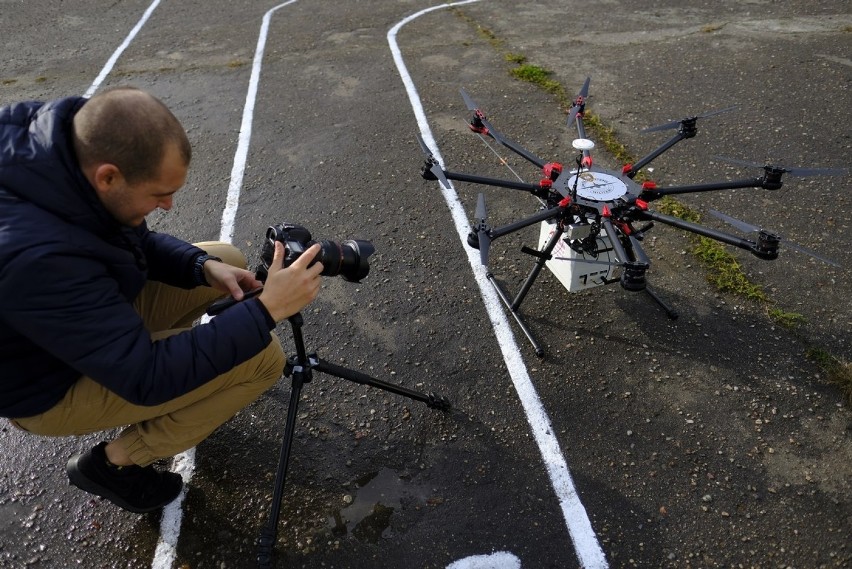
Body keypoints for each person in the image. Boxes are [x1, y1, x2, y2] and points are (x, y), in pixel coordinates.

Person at [0, 86, 323, 513]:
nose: (168, 206)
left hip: (75, 319)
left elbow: (124, 238)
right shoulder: (36, 256)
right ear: (108, 176)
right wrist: (269, 310)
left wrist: (199, 266)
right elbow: (146, 377)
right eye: (158, 195)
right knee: (262, 359)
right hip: (47, 384)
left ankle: (195, 382)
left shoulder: (59, 150)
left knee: (224, 261)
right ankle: (114, 466)